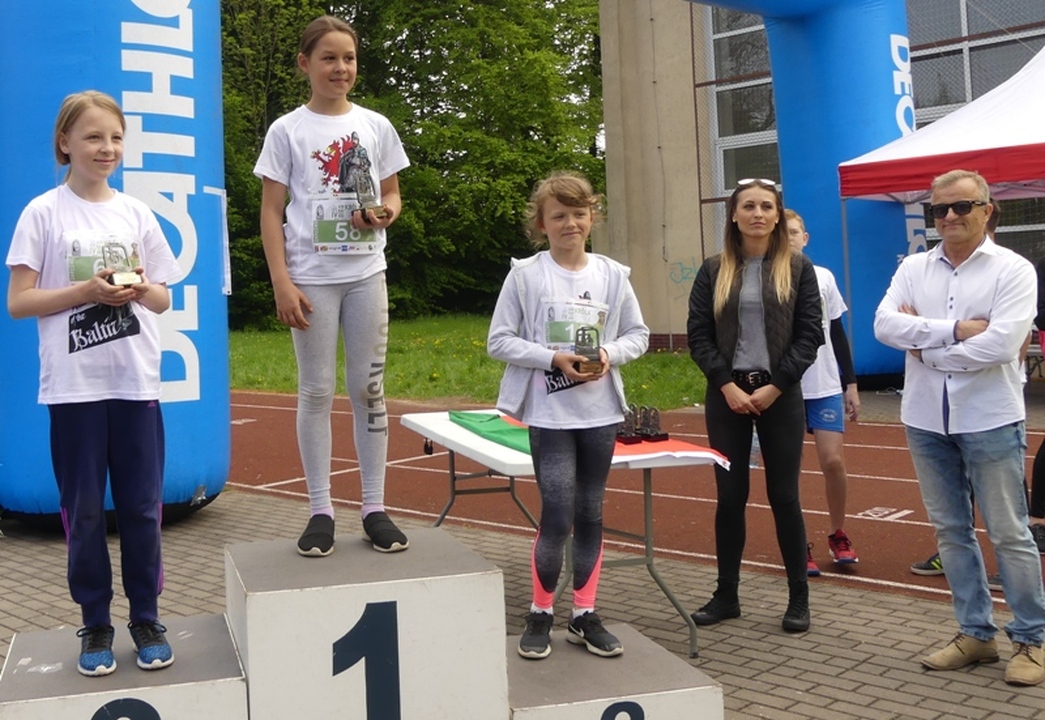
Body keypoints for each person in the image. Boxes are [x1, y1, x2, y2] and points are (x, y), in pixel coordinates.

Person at [5, 91, 181, 676]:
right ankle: (96, 623)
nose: (107, 148)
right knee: (83, 512)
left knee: (142, 508)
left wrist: (138, 289)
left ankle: (146, 618)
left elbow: (162, 297)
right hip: (73, 389)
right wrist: (86, 291)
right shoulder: (42, 213)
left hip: (135, 383)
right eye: (93, 137)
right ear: (65, 143)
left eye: (115, 138)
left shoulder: (137, 214)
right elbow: (19, 302)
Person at [874, 169, 1045, 687]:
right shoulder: (914, 268)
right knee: (951, 532)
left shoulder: (1013, 270)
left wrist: (924, 346)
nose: (949, 216)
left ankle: (1032, 639)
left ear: (987, 210)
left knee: (1010, 532)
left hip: (989, 417)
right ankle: (976, 634)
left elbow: (1002, 344)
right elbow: (884, 325)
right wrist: (955, 330)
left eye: (961, 206)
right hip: (926, 418)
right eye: (938, 209)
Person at [254, 15, 411, 557]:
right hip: (311, 280)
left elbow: (392, 194)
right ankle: (320, 509)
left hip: (366, 275)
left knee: (369, 389)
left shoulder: (375, 125)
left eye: (348, 58)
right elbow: (271, 211)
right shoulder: (287, 130)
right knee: (317, 390)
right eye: (328, 58)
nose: (340, 67)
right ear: (305, 64)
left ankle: (374, 508)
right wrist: (281, 281)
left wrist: (384, 213)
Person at [487, 171, 649, 660]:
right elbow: (499, 340)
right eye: (559, 216)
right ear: (542, 223)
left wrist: (609, 354)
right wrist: (552, 358)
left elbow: (638, 335)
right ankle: (540, 612)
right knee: (557, 515)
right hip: (550, 415)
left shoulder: (612, 275)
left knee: (590, 514)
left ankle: (584, 613)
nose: (570, 224)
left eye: (579, 214)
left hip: (600, 415)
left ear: (592, 218)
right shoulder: (525, 275)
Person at [686, 179, 823, 633]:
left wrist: (777, 386)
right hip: (728, 395)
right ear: (734, 214)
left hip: (779, 395)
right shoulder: (713, 269)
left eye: (767, 206)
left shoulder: (799, 268)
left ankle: (798, 598)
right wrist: (726, 385)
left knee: (784, 497)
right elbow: (699, 336)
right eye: (748, 206)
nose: (758, 214)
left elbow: (810, 335)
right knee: (730, 497)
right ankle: (726, 595)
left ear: (778, 215)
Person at [784, 210, 860, 576]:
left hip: (825, 383)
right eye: (782, 233)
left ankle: (838, 533)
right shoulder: (766, 277)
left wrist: (851, 383)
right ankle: (797, 541)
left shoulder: (824, 277)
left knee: (833, 462)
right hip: (784, 387)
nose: (788, 238)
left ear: (805, 237)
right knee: (789, 468)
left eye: (794, 232)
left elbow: (837, 331)